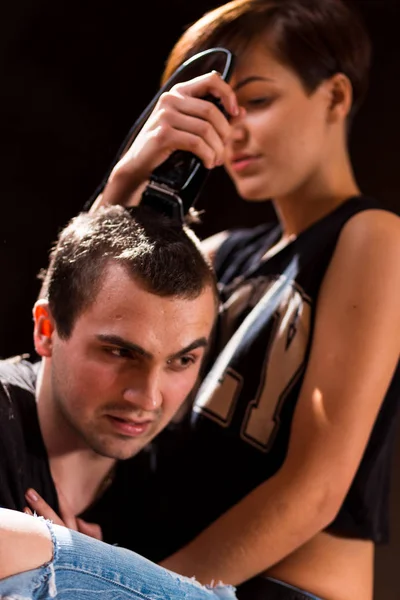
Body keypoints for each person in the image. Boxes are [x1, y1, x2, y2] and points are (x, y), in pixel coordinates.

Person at [1, 0, 400, 599]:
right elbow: (64, 327)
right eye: (218, 106)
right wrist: (129, 175)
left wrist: (112, 577)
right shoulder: (215, 256)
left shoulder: (372, 236)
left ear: (335, 97)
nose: (232, 130)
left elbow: (315, 489)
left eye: (258, 101)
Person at [0, 204, 218, 541]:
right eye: (121, 353)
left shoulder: (170, 491)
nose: (148, 398)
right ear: (47, 330)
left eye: (182, 360)